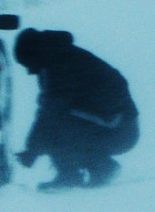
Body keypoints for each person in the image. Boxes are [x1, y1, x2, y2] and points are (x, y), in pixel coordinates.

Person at [13, 28, 139, 191]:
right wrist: (33, 149)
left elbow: (52, 112)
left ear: (34, 54)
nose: (29, 71)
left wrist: (32, 151)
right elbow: (48, 108)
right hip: (116, 126)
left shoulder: (60, 65)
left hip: (121, 130)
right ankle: (97, 167)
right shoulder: (58, 58)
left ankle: (80, 173)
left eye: (27, 63)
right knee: (57, 122)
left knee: (58, 124)